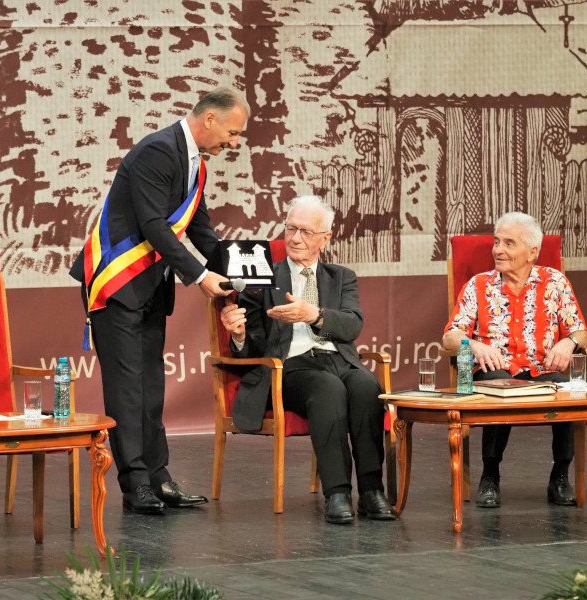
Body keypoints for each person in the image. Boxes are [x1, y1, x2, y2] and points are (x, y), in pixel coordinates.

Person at [69, 87, 249, 514]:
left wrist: (245, 267)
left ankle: (158, 476)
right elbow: (153, 225)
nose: (234, 143)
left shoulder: (194, 163)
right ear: (209, 119)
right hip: (117, 285)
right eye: (232, 133)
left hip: (150, 287)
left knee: (151, 388)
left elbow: (200, 230)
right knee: (127, 390)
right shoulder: (157, 150)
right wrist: (201, 276)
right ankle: (135, 484)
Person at [219, 195, 395, 524]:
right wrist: (239, 335)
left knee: (366, 386)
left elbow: (352, 325)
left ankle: (372, 491)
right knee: (327, 387)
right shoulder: (264, 278)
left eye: (306, 231)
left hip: (338, 359)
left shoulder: (341, 277)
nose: (296, 238)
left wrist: (312, 314)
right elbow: (254, 347)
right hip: (289, 367)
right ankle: (338, 492)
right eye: (291, 228)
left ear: (325, 239)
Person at [442, 212, 587, 509]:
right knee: (500, 386)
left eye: (509, 243)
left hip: (542, 369)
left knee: (569, 392)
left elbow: (581, 332)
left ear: (532, 252)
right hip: (496, 371)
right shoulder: (479, 285)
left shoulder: (555, 282)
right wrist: (474, 345)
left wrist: (569, 341)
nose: (498, 250)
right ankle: (490, 476)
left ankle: (560, 476)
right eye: (497, 242)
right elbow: (449, 338)